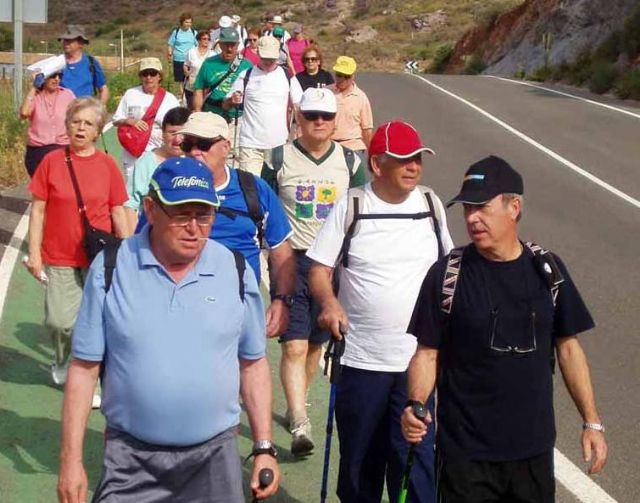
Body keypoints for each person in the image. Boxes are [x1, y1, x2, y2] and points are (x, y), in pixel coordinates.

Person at [56, 158, 281, 503]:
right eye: (181, 214)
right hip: (130, 461)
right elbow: (84, 370)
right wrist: (70, 460)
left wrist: (264, 446)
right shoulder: (112, 267)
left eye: (204, 215)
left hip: (214, 460)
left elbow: (252, 365)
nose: (194, 228)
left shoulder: (234, 269)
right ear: (150, 209)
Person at [403, 156, 608, 502]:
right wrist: (415, 404)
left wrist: (592, 422)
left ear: (514, 207)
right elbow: (427, 354)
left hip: (533, 454)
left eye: (481, 207)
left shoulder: (548, 271)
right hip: (464, 457)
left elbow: (569, 349)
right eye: (467, 208)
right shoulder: (447, 275)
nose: (472, 218)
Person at [307, 121, 454, 502]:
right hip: (361, 362)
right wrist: (330, 303)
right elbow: (320, 269)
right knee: (361, 465)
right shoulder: (353, 205)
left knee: (415, 465)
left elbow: (450, 270)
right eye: (403, 159)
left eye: (418, 158)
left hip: (417, 365)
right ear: (376, 164)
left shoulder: (430, 204)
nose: (414, 166)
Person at [261, 88, 365, 456]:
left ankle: (297, 404)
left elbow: (360, 214)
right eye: (311, 115)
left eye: (326, 116)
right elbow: (266, 209)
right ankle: (300, 423)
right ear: (298, 118)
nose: (319, 122)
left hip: (332, 265)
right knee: (294, 344)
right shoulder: (278, 158)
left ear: (335, 120)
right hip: (292, 261)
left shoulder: (351, 162)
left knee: (315, 346)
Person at [135, 112, 295, 337]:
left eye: (203, 144)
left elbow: (280, 250)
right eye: (188, 145)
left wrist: (282, 300)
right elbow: (140, 245)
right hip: (175, 307)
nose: (194, 152)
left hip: (238, 310)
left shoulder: (252, 188)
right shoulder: (167, 189)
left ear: (226, 147)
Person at [25, 97, 128, 397]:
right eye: (76, 122)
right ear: (67, 125)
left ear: (98, 130)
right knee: (59, 322)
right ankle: (62, 358)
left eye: (88, 124)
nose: (81, 128)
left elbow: (117, 210)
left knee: (99, 320)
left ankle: (90, 376)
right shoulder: (51, 162)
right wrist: (34, 253)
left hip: (99, 257)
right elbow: (38, 210)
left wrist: (126, 252)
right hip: (60, 255)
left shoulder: (107, 165)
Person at [224, 36, 293, 176]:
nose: (269, 62)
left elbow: (299, 106)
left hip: (279, 143)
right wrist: (232, 100)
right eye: (265, 58)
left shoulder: (287, 76)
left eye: (272, 59)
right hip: (250, 144)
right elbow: (226, 105)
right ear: (258, 53)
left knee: (276, 185)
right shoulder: (246, 75)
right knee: (249, 184)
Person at [112, 58, 180, 182]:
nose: (149, 77)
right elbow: (116, 120)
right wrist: (130, 121)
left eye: (152, 73)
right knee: (133, 185)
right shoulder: (130, 94)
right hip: (133, 151)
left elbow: (178, 127)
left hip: (159, 151)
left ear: (159, 76)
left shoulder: (170, 100)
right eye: (145, 73)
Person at [124, 106, 190, 233]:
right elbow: (130, 203)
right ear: (163, 134)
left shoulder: (195, 161)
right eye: (172, 133)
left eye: (183, 133)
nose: (177, 139)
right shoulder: (146, 162)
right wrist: (132, 239)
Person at [20, 71, 75, 177]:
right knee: (40, 186)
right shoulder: (35, 96)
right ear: (44, 78)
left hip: (62, 147)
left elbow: (78, 114)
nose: (57, 79)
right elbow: (24, 113)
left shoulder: (67, 94)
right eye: (53, 76)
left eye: (60, 76)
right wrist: (34, 88)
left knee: (59, 183)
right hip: (38, 150)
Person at [329, 56, 373, 162]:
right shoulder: (326, 93)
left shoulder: (361, 97)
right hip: (329, 146)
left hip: (353, 147)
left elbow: (367, 130)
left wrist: (372, 154)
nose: (342, 79)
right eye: (339, 75)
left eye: (347, 76)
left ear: (353, 76)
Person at [58, 25, 108, 104]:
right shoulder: (56, 63)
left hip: (85, 109)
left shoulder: (91, 62)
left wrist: (99, 107)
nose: (65, 43)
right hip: (62, 109)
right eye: (64, 40)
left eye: (69, 41)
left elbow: (103, 89)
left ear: (80, 43)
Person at [166, 12, 197, 96]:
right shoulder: (176, 32)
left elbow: (197, 45)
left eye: (190, 22)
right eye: (186, 22)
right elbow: (170, 44)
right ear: (182, 22)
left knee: (191, 78)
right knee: (181, 80)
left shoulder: (194, 32)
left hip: (191, 59)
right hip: (178, 59)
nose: (188, 24)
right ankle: (183, 97)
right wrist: (169, 54)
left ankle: (191, 95)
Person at [183, 30, 214, 110]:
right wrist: (187, 73)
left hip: (206, 88)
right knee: (192, 110)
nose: (207, 41)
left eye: (208, 39)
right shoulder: (191, 52)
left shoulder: (213, 54)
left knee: (204, 111)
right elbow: (186, 65)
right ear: (199, 40)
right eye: (204, 39)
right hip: (192, 86)